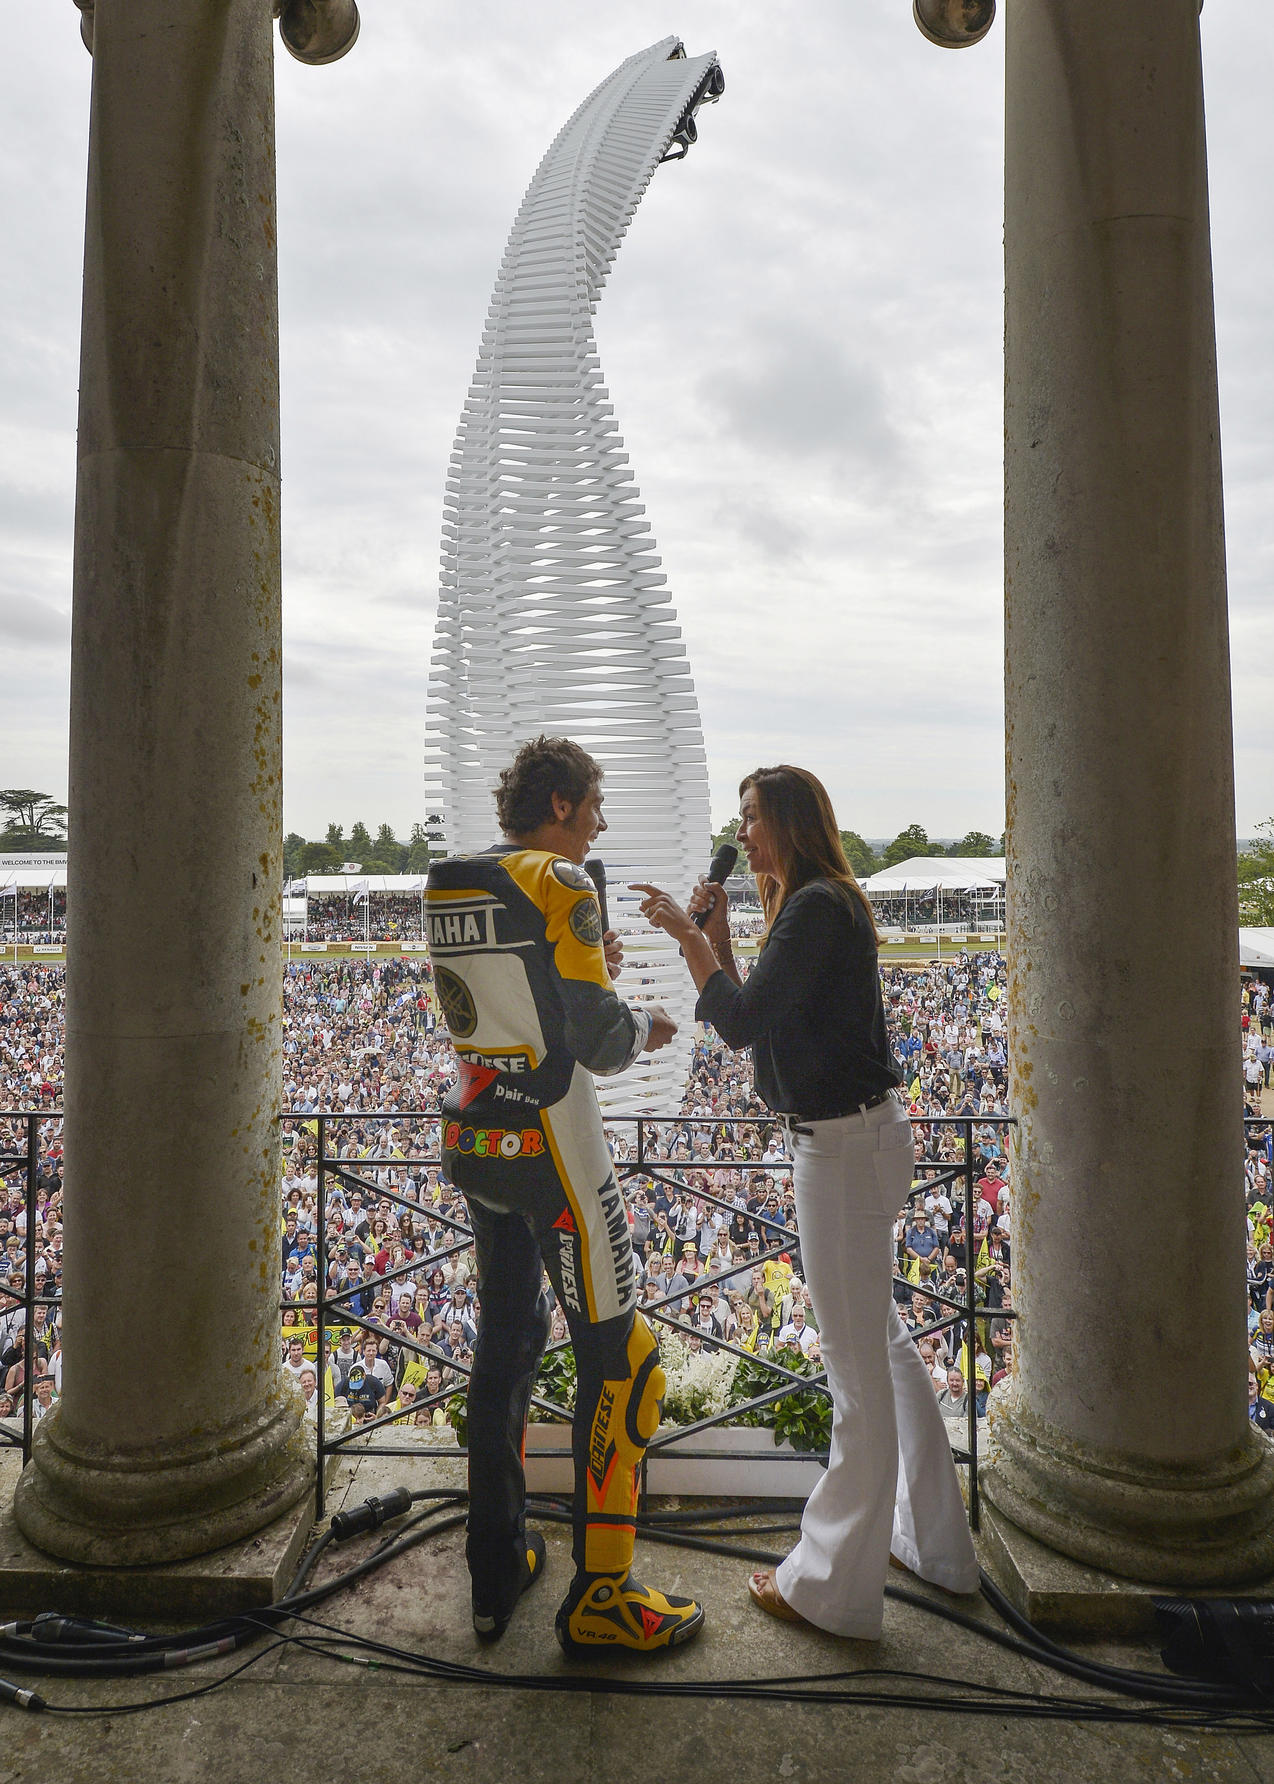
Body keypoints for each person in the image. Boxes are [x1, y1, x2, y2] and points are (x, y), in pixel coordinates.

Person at [635, 763, 979, 1639]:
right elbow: (763, 1010)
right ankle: (933, 1542)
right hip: (856, 1139)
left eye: (750, 817)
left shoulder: (821, 906)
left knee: (856, 1376)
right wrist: (719, 940)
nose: (741, 833)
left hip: (842, 1148)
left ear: (787, 819)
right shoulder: (819, 903)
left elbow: (743, 1025)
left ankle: (829, 1586)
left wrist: (689, 936)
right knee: (887, 1350)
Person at [426, 735, 704, 1655]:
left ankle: (494, 1568)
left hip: (478, 1132)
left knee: (503, 1349)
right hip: (555, 1143)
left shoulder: (455, 879)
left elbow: (506, 1007)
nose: (600, 822)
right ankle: (603, 1597)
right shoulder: (564, 882)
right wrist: (649, 1027)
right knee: (623, 1363)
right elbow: (596, 1036)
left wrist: (584, 975)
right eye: (593, 804)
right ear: (557, 805)